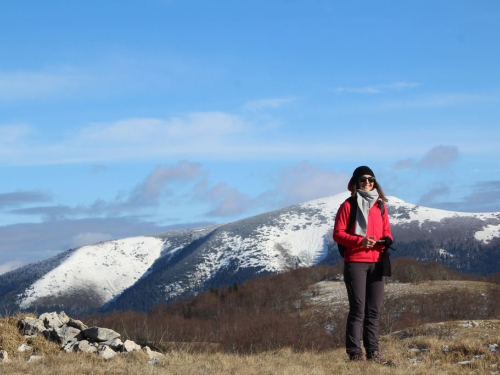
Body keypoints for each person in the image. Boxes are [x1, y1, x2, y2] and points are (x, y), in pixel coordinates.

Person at [333, 166, 393, 362]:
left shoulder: (381, 206)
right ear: (355, 183)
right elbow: (338, 234)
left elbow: (387, 231)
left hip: (377, 262)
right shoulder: (348, 206)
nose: (367, 182)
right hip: (356, 263)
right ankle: (355, 353)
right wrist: (360, 241)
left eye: (371, 179)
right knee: (358, 310)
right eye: (363, 179)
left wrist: (387, 240)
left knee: (374, 311)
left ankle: (373, 351)